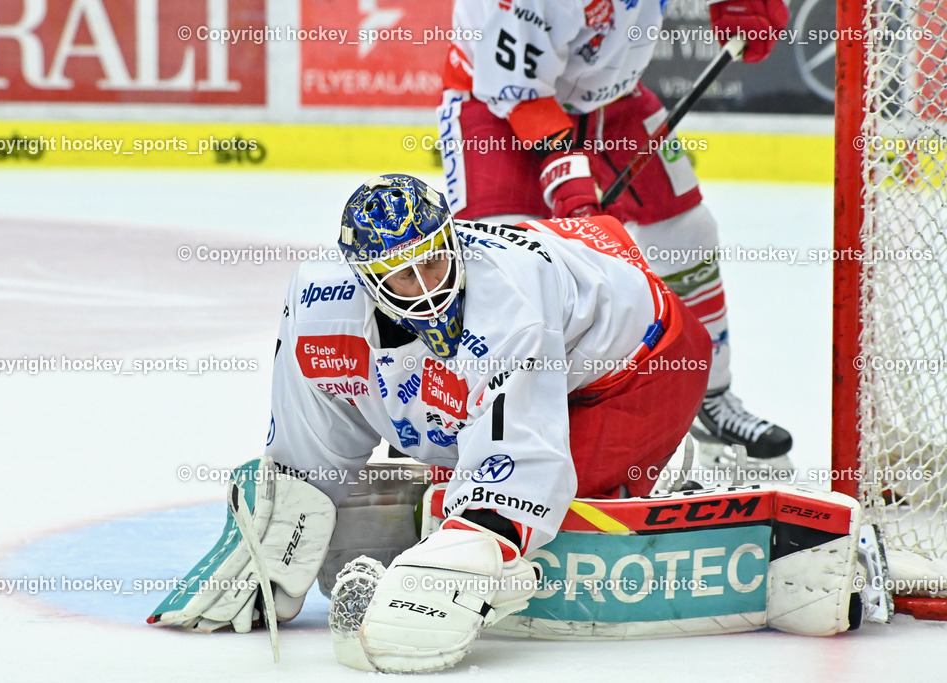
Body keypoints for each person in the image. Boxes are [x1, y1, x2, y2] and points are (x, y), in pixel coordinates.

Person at [149, 174, 711, 672]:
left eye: (433, 262)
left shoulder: (507, 300)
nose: (428, 288)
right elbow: (309, 447)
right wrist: (287, 516)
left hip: (638, 365)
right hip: (540, 344)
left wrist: (471, 551)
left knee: (536, 522)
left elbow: (520, 469)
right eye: (401, 276)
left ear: (452, 240)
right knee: (353, 541)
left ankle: (641, 479)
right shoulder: (319, 304)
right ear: (366, 281)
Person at [437, 0, 793, 465]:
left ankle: (711, 397)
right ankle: (493, 426)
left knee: (688, 231)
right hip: (495, 103)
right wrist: (568, 179)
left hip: (611, 99)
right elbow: (517, 90)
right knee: (501, 263)